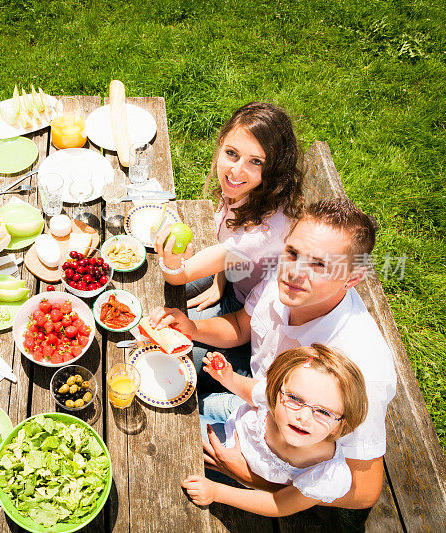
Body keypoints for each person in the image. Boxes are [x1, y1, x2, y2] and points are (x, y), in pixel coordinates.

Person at [149, 197, 397, 508]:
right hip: (254, 404)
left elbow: (365, 492)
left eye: (319, 264)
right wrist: (193, 330)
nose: (294, 272)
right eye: (293, 252)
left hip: (276, 467)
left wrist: (252, 478)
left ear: (352, 278)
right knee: (155, 364)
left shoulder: (363, 367)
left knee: (166, 448)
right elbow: (242, 326)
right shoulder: (284, 275)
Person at [154, 102, 304, 388]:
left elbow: (178, 276)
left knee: (169, 363)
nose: (236, 171)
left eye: (256, 162)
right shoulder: (251, 192)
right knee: (152, 308)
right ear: (221, 143)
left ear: (274, 170)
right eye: (232, 153)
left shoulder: (264, 233)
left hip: (254, 333)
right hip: (236, 286)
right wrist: (220, 279)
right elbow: (231, 253)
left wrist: (171, 259)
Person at [183, 344, 368, 516]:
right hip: (235, 410)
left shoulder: (326, 474)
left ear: (342, 424)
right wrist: (228, 378)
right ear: (276, 390)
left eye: (323, 412)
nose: (303, 417)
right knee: (192, 401)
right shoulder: (280, 391)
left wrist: (216, 492)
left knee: (181, 437)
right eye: (295, 398)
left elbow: (278, 504)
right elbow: (250, 392)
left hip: (228, 453)